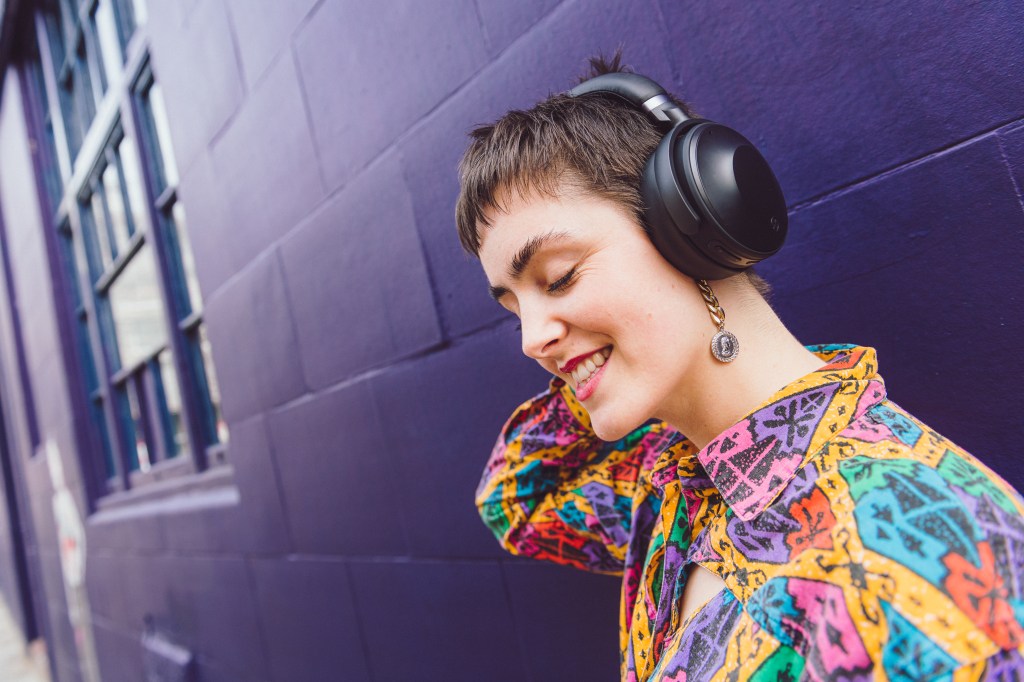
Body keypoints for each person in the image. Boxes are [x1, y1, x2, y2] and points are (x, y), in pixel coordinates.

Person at [455, 55, 1024, 681]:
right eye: (515, 310)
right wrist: (600, 359)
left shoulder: (921, 567)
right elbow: (517, 498)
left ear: (691, 231)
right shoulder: (672, 485)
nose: (531, 340)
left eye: (559, 277)